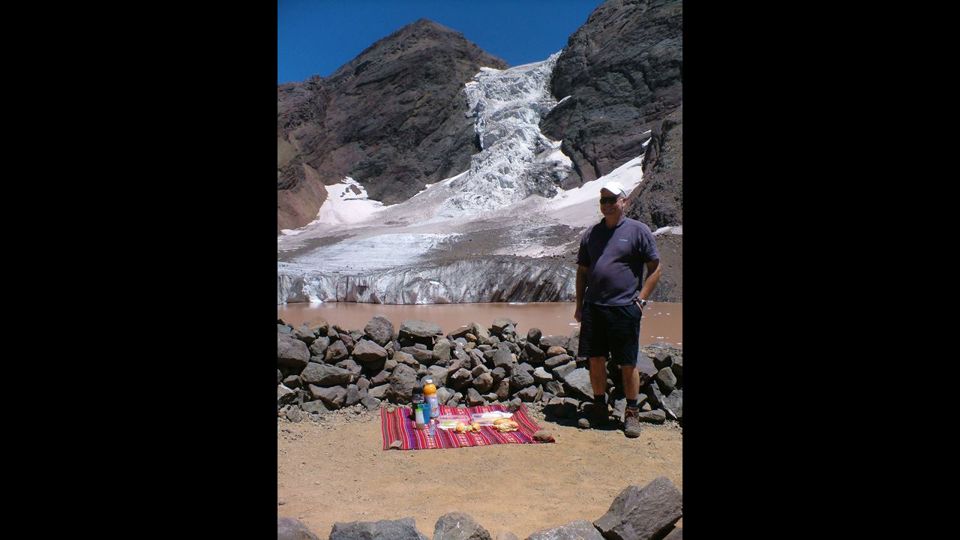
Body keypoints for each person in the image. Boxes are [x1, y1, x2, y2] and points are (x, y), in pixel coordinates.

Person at [574, 180, 661, 438]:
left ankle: (632, 413)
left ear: (624, 201)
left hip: (624, 307)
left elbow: (655, 268)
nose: (608, 205)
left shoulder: (638, 231)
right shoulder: (591, 234)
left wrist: (641, 300)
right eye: (603, 200)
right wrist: (580, 305)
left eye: (612, 200)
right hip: (595, 307)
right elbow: (582, 272)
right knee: (596, 358)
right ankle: (599, 406)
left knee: (628, 362)